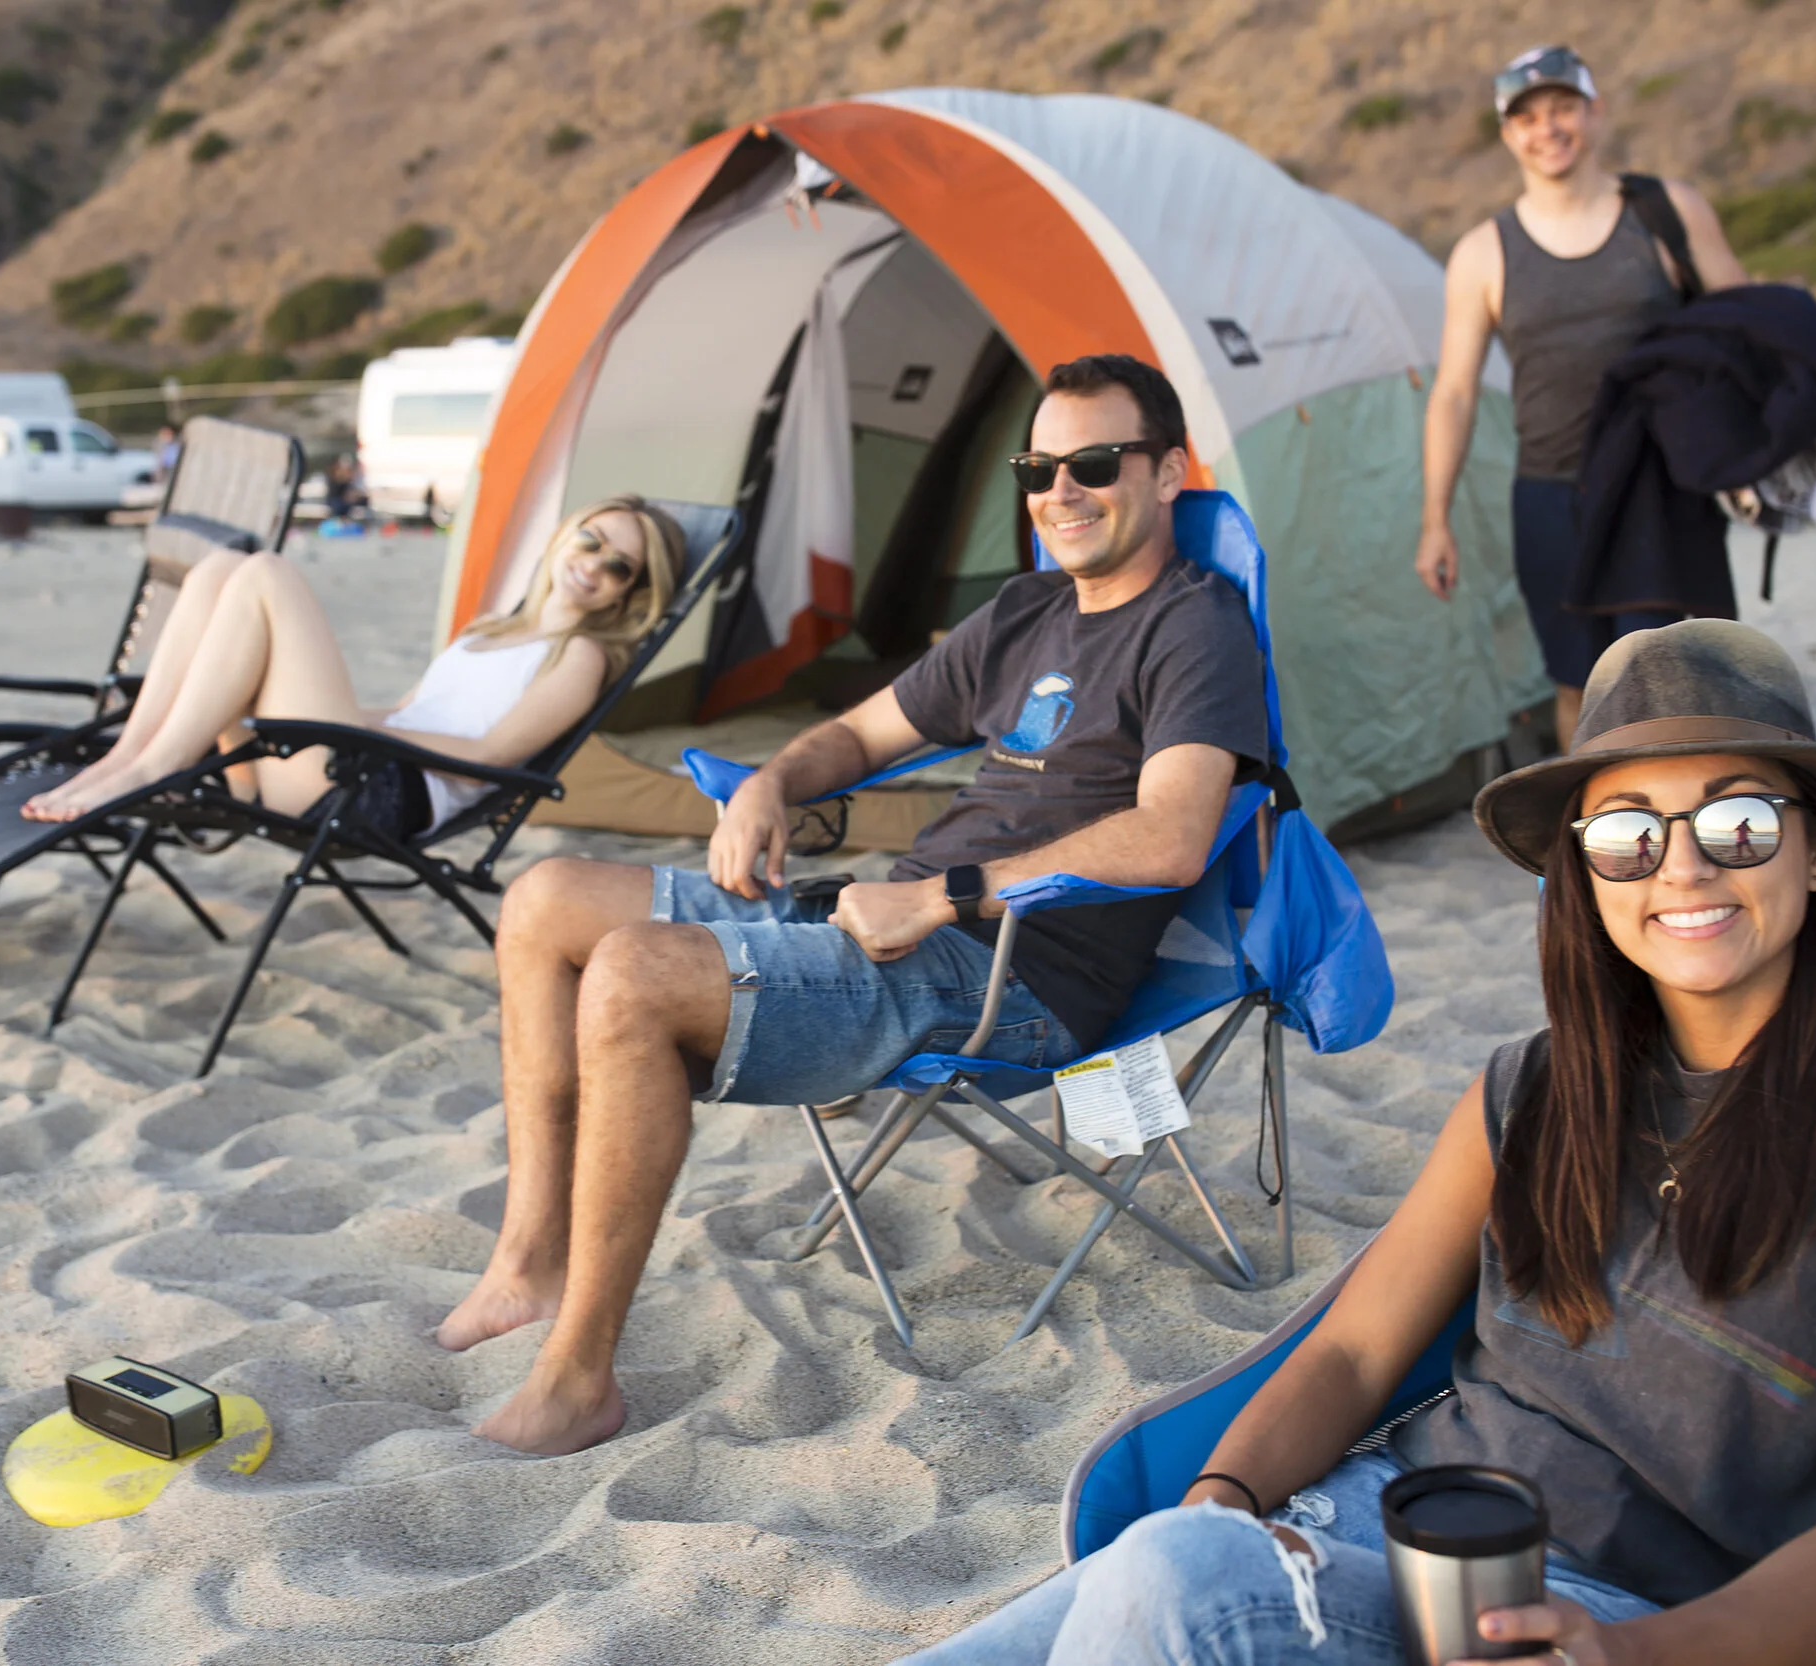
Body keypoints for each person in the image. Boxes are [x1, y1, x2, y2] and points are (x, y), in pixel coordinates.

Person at [907, 619, 1816, 1666]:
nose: (1683, 867)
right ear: (1586, 876)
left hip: (1624, 1619)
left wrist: (1633, 1656)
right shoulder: (1537, 1085)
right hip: (1352, 1528)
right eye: (1625, 834)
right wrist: (1223, 1497)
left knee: (1169, 1577)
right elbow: (1354, 1350)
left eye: (1738, 821)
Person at [436, 354, 1271, 1456]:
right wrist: (773, 783)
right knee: (543, 898)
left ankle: (579, 1376)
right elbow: (864, 735)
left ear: (1168, 474)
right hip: (887, 918)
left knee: (636, 970)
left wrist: (939, 896)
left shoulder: (1193, 626)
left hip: (1013, 972)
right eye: (1038, 467)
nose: (1059, 492)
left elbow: (1170, 836)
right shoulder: (1024, 610)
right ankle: (527, 1264)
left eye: (1094, 464)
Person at [1415, 45, 1750, 751]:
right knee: (1581, 683)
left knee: (1673, 675)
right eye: (1528, 117)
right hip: (1550, 496)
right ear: (1509, 134)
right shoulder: (1483, 252)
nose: (1549, 128)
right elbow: (1452, 393)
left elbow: (1748, 329)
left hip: (1662, 492)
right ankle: (1596, 840)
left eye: (1564, 108)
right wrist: (1435, 518)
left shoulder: (1667, 212)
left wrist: (1751, 453)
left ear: (1595, 112)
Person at [18, 495, 680, 829]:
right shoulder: (491, 627)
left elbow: (491, 757)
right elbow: (402, 711)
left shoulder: (583, 657)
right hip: (346, 759)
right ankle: (128, 759)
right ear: (566, 534)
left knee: (267, 572)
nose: (592, 565)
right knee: (223, 566)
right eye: (589, 539)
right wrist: (334, 720)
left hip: (379, 794)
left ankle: (154, 765)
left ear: (631, 590)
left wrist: (360, 733)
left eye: (617, 564)